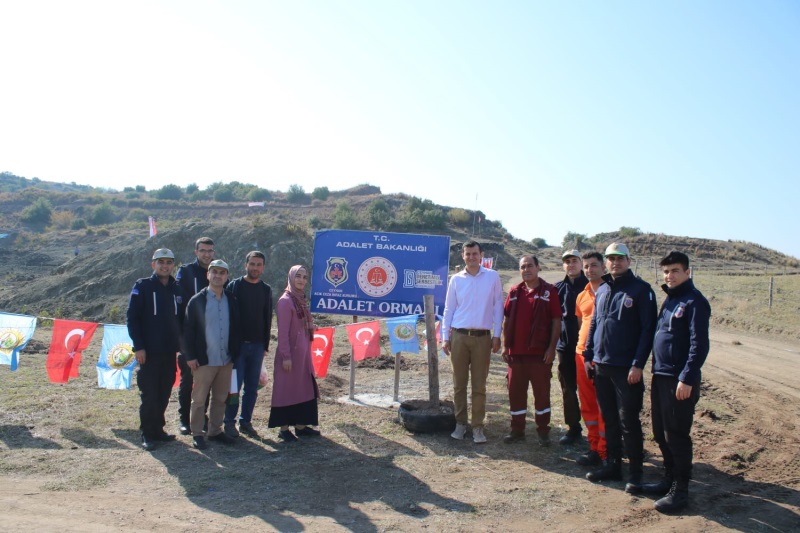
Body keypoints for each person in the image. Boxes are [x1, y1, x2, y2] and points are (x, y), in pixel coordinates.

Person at [584, 243, 657, 492]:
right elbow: (595, 323)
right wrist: (589, 355)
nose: (615, 263)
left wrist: (638, 364)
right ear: (607, 262)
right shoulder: (603, 289)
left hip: (626, 369)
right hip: (602, 366)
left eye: (620, 258)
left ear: (628, 261)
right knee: (609, 419)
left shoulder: (641, 290)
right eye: (611, 258)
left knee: (629, 421)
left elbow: (647, 331)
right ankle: (613, 465)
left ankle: (635, 473)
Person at [641, 251, 711, 512]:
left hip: (679, 381)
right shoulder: (670, 299)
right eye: (666, 271)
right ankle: (668, 480)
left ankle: (680, 492)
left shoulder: (695, 301)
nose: (669, 276)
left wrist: (687, 377)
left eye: (675, 271)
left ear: (687, 272)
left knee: (676, 435)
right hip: (661, 376)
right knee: (661, 433)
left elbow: (699, 345)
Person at [442, 240, 504, 444]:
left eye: (475, 253)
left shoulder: (492, 276)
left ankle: (477, 426)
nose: (471, 257)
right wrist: (445, 337)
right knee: (459, 384)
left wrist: (497, 334)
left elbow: (498, 305)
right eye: (467, 254)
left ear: (481, 255)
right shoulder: (456, 279)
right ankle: (461, 424)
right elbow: (449, 309)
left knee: (479, 385)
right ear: (463, 256)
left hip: (482, 338)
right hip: (459, 337)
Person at [126, 248, 185, 451]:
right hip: (148, 352)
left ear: (173, 265)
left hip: (169, 352)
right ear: (153, 264)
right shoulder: (142, 286)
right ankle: (147, 433)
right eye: (161, 262)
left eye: (169, 262)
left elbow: (181, 320)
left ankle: (158, 429)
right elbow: (132, 319)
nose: (165, 266)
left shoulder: (177, 289)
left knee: (164, 392)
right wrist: (139, 347)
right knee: (149, 394)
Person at [501, 255, 561, 446]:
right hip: (516, 355)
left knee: (541, 394)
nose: (526, 270)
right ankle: (517, 430)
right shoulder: (514, 292)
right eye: (522, 267)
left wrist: (551, 348)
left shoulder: (549, 291)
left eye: (530, 266)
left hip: (539, 355)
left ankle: (543, 431)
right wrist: (505, 345)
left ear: (538, 267)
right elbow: (506, 319)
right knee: (515, 393)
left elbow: (556, 321)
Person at [182, 259, 241, 450]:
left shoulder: (231, 299)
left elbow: (236, 328)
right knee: (199, 400)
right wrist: (190, 356)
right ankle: (197, 433)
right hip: (204, 360)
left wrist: (235, 353)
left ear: (227, 277)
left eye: (222, 273)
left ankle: (215, 431)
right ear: (208, 275)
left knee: (220, 398)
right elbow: (188, 331)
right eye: (214, 272)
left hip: (226, 360)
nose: (218, 276)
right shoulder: (197, 301)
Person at [224, 251, 273, 438]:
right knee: (233, 388)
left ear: (263, 267)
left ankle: (246, 422)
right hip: (238, 348)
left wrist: (265, 346)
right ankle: (229, 422)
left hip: (258, 347)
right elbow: (228, 316)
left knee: (252, 388)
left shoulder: (266, 289)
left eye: (259, 265)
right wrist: (230, 346)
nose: (255, 268)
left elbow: (267, 318)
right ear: (245, 265)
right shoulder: (234, 286)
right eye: (252, 264)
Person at [268, 265, 321, 441]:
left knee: (303, 389)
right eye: (298, 276)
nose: (301, 280)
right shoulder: (285, 301)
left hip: (303, 355)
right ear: (291, 277)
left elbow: (299, 326)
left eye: (305, 277)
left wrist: (310, 328)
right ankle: (283, 429)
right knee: (286, 390)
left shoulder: (301, 300)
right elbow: (283, 333)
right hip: (290, 356)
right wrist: (286, 357)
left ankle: (301, 426)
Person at [175, 237, 215, 435]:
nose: (206, 254)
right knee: (187, 380)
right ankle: (184, 419)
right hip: (189, 334)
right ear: (196, 252)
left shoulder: (216, 271)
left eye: (209, 251)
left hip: (210, 337)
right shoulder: (186, 272)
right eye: (202, 250)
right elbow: (179, 304)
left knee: (205, 381)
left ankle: (201, 418)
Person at [574, 251, 607, 466]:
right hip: (582, 355)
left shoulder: (610, 292)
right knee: (587, 404)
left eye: (594, 265)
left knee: (604, 404)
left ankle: (605, 451)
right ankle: (593, 446)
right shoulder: (582, 295)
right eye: (586, 266)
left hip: (603, 357)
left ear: (603, 267)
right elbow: (582, 324)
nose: (589, 270)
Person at [555, 249, 589, 445]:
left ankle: (599, 430)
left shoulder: (592, 286)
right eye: (567, 261)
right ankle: (573, 427)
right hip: (565, 346)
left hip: (588, 348)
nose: (571, 265)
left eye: (574, 261)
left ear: (581, 263)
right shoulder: (558, 288)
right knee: (568, 388)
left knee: (592, 390)